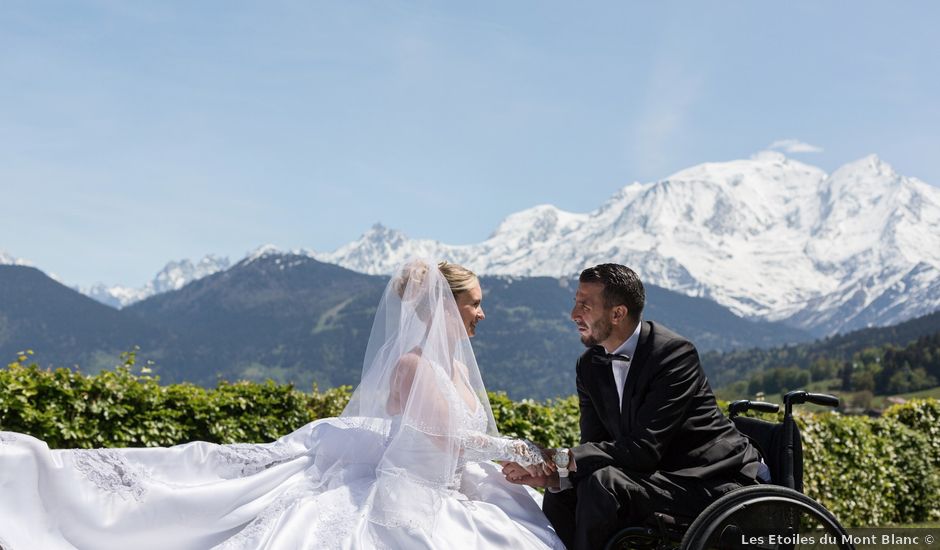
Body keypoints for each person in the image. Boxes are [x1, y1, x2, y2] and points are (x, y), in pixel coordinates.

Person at [0, 259, 564, 550]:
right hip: (415, 494)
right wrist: (519, 447)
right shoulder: (414, 365)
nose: (482, 314)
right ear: (447, 304)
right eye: (476, 304)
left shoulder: (457, 366)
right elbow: (448, 439)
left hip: (457, 487)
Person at [503, 263, 760, 550]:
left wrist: (558, 458)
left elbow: (644, 449)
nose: (573, 315)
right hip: (652, 478)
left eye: (585, 306)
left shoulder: (673, 354)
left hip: (707, 480)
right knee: (564, 488)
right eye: (576, 303)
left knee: (603, 483)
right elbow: (595, 445)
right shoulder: (589, 366)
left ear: (617, 313)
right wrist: (555, 472)